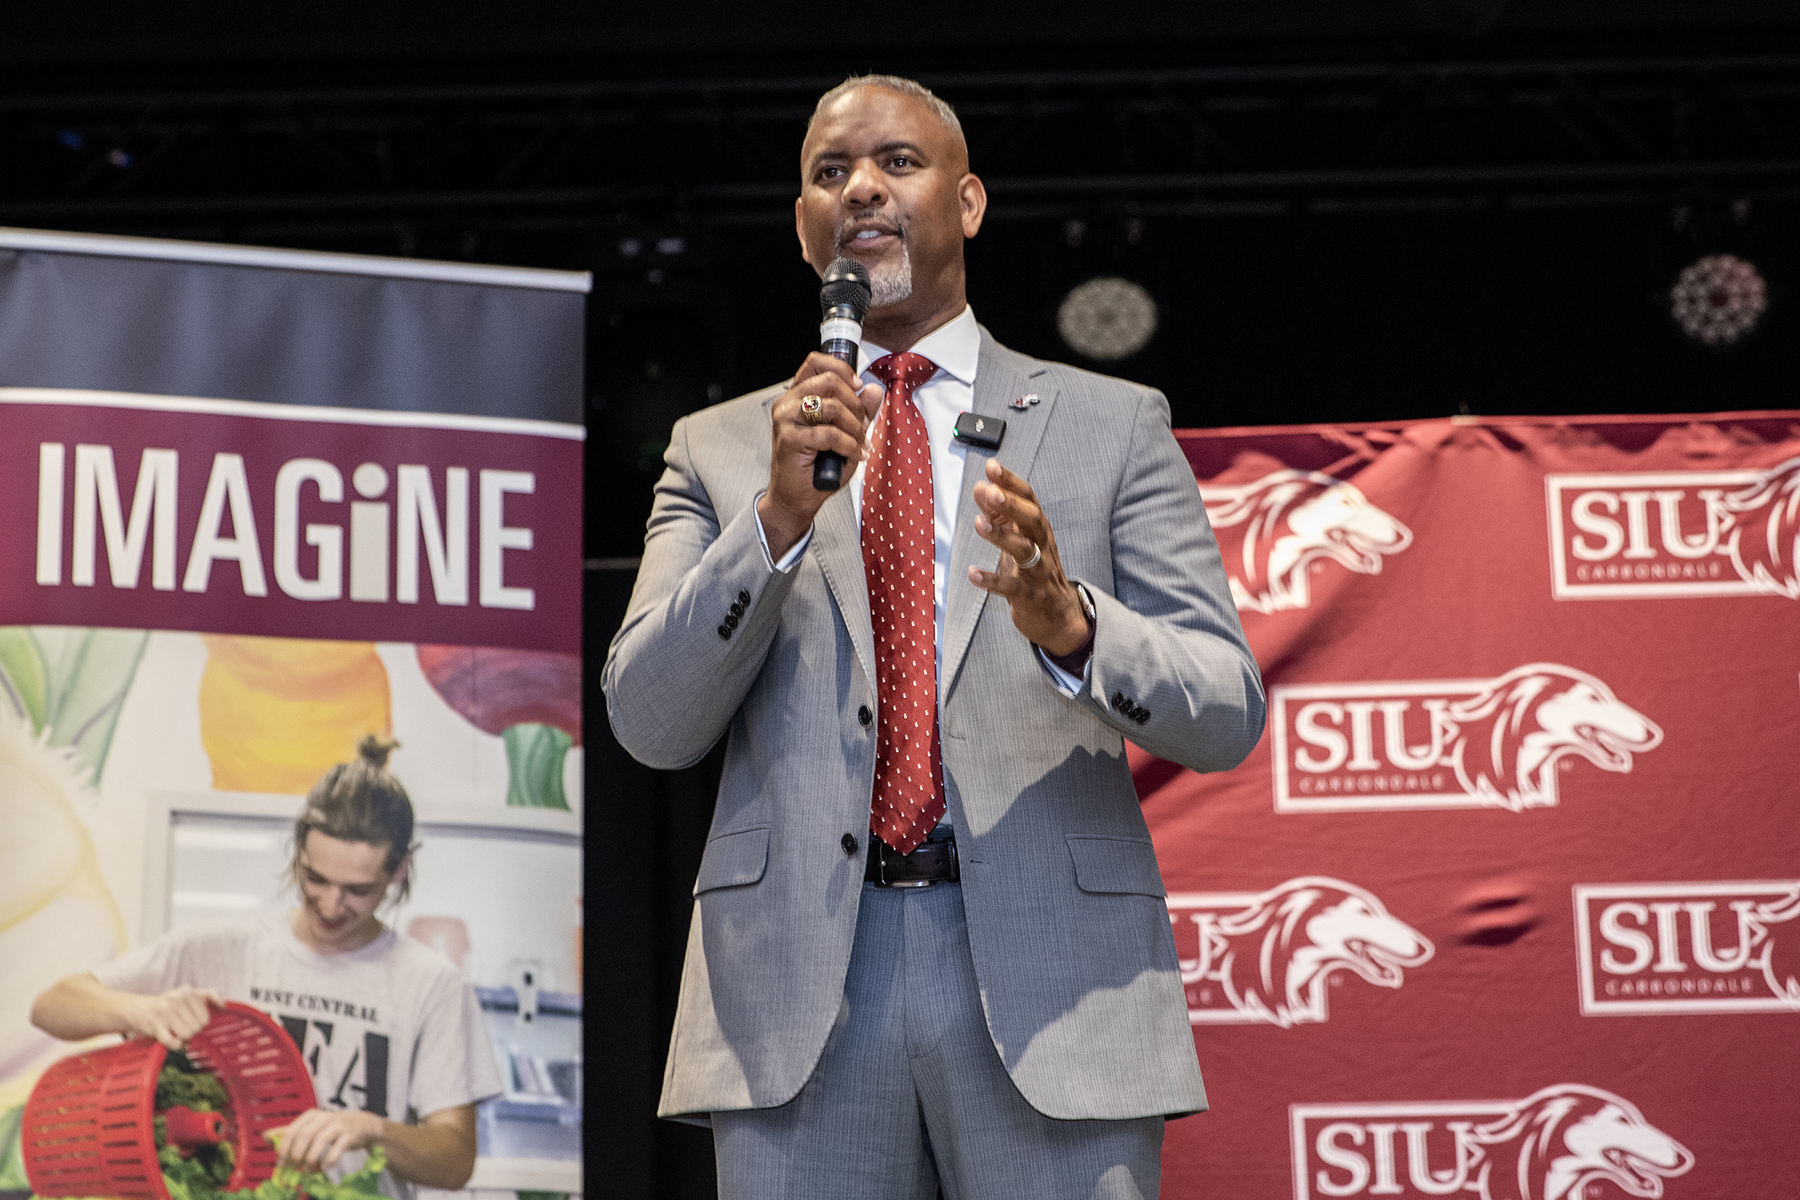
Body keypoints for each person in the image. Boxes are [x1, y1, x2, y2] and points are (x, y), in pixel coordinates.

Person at [603, 74, 1264, 1200]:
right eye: (828, 172)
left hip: (1057, 981)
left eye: (896, 163)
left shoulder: (1112, 426)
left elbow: (1226, 707)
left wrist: (1072, 627)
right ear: (804, 224)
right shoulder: (722, 448)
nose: (860, 185)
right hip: (798, 999)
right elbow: (650, 721)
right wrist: (774, 521)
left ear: (968, 203)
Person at [30, 736, 503, 1199]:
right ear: (297, 848)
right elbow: (53, 1005)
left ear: (398, 871)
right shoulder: (220, 948)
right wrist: (138, 1010)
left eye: (357, 890)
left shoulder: (432, 986)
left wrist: (371, 1130)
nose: (331, 905)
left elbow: (455, 1159)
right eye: (314, 878)